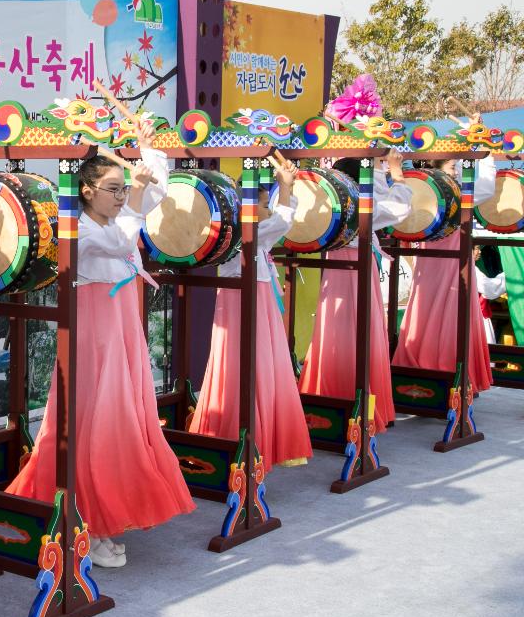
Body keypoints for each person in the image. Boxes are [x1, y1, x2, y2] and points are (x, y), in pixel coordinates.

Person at [6, 121, 194, 566]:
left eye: (122, 188)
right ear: (87, 191)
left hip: (122, 320)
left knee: (122, 415)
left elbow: (156, 192)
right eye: (113, 189)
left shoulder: (116, 215)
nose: (121, 195)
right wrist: (134, 199)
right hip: (95, 327)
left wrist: (147, 150)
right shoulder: (82, 229)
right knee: (98, 419)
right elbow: (122, 238)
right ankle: (89, 519)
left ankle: (103, 516)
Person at [191, 160, 313, 468]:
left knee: (260, 363)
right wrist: (285, 186)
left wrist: (287, 188)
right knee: (242, 363)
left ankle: (258, 436)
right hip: (242, 299)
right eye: (261, 204)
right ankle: (241, 434)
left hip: (257, 297)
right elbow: (283, 220)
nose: (266, 210)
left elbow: (281, 220)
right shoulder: (242, 231)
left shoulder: (255, 233)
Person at [300, 150, 412, 430]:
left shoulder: (335, 202)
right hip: (355, 264)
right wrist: (396, 173)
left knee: (335, 330)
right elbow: (398, 208)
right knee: (359, 330)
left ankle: (329, 397)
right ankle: (359, 405)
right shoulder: (359, 205)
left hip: (340, 264)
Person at [392, 141, 499, 394]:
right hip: (438, 257)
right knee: (430, 306)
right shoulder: (436, 190)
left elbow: (484, 188)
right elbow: (485, 188)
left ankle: (449, 375)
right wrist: (487, 152)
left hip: (452, 257)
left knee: (448, 309)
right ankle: (432, 374)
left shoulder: (456, 190)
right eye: (453, 167)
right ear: (438, 169)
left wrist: (485, 149)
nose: (456, 172)